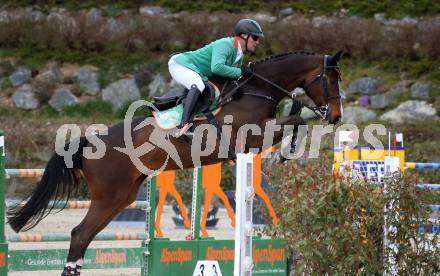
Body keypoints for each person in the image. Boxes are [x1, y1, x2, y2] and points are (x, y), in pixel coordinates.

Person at [168, 18, 264, 136]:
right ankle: (184, 124)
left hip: (194, 70)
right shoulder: (226, 44)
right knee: (198, 85)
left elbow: (229, 76)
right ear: (244, 35)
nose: (257, 42)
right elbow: (217, 68)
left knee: (204, 88)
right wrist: (240, 72)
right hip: (180, 63)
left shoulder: (239, 54)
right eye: (255, 38)